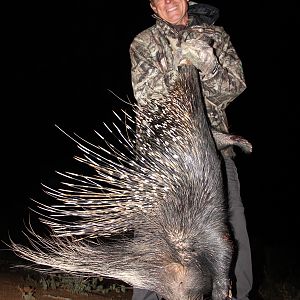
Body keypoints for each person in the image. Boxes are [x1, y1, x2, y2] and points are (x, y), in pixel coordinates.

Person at [129, 0, 253, 299]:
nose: (168, 2)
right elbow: (148, 97)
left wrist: (210, 68)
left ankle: (237, 294)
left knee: (231, 227)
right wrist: (182, 66)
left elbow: (235, 87)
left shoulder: (216, 36)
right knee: (152, 235)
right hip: (162, 155)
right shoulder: (145, 41)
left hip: (214, 153)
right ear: (152, 6)